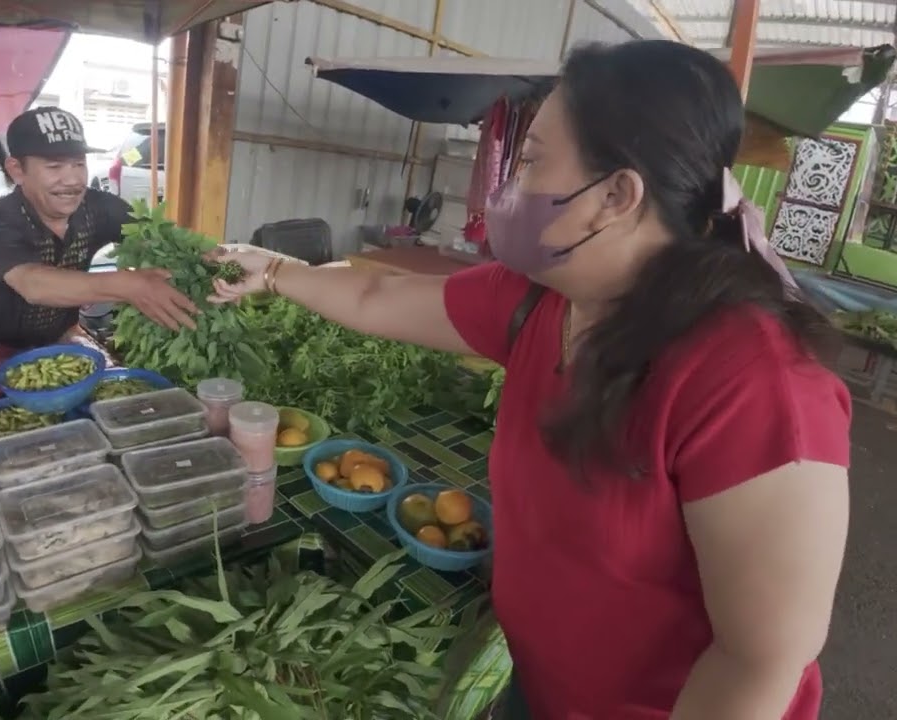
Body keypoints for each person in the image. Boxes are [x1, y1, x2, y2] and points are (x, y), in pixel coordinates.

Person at [210, 40, 848, 720]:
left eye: (533, 160)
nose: (507, 186)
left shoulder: (753, 383)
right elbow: (376, 300)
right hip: (541, 692)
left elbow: (760, 658)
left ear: (616, 195)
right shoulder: (544, 299)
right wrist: (273, 271)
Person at [0, 106, 196, 356]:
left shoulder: (102, 208)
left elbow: (164, 245)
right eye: (54, 167)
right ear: (17, 170)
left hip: (58, 344)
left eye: (79, 164)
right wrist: (127, 285)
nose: (72, 180)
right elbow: (33, 285)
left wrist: (221, 264)